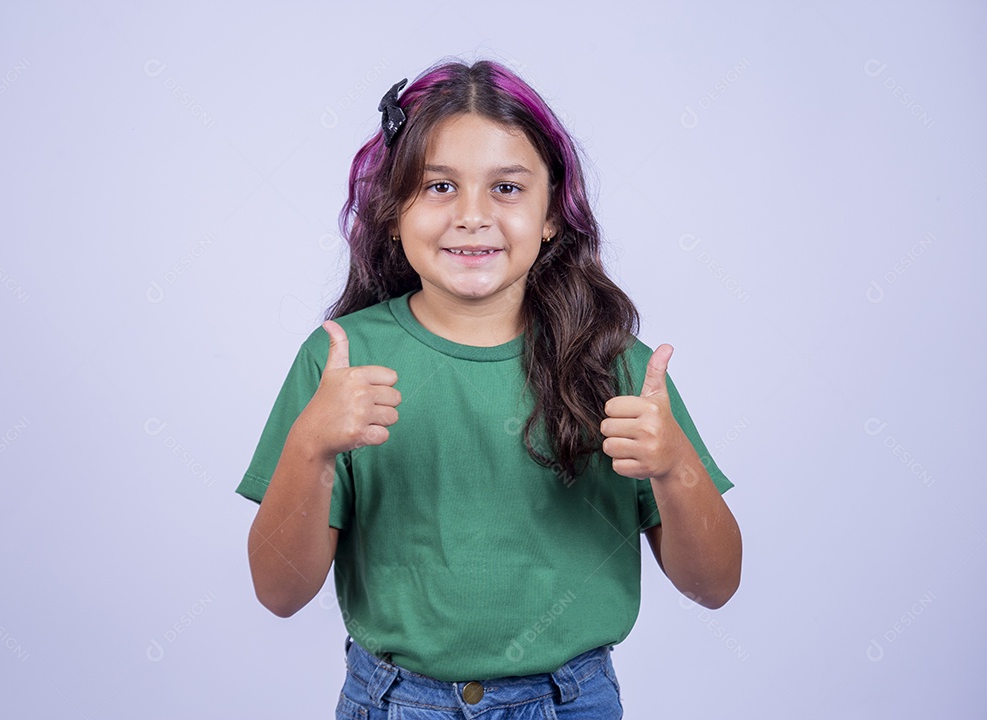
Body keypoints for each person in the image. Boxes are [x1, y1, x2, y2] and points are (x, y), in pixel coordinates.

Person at [237, 58, 742, 719]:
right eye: (439, 186)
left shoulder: (616, 367)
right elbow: (279, 592)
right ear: (393, 213)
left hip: (571, 703)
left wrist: (677, 466)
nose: (472, 216)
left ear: (552, 214)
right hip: (394, 703)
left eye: (506, 189)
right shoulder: (340, 362)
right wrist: (310, 448)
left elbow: (715, 586)